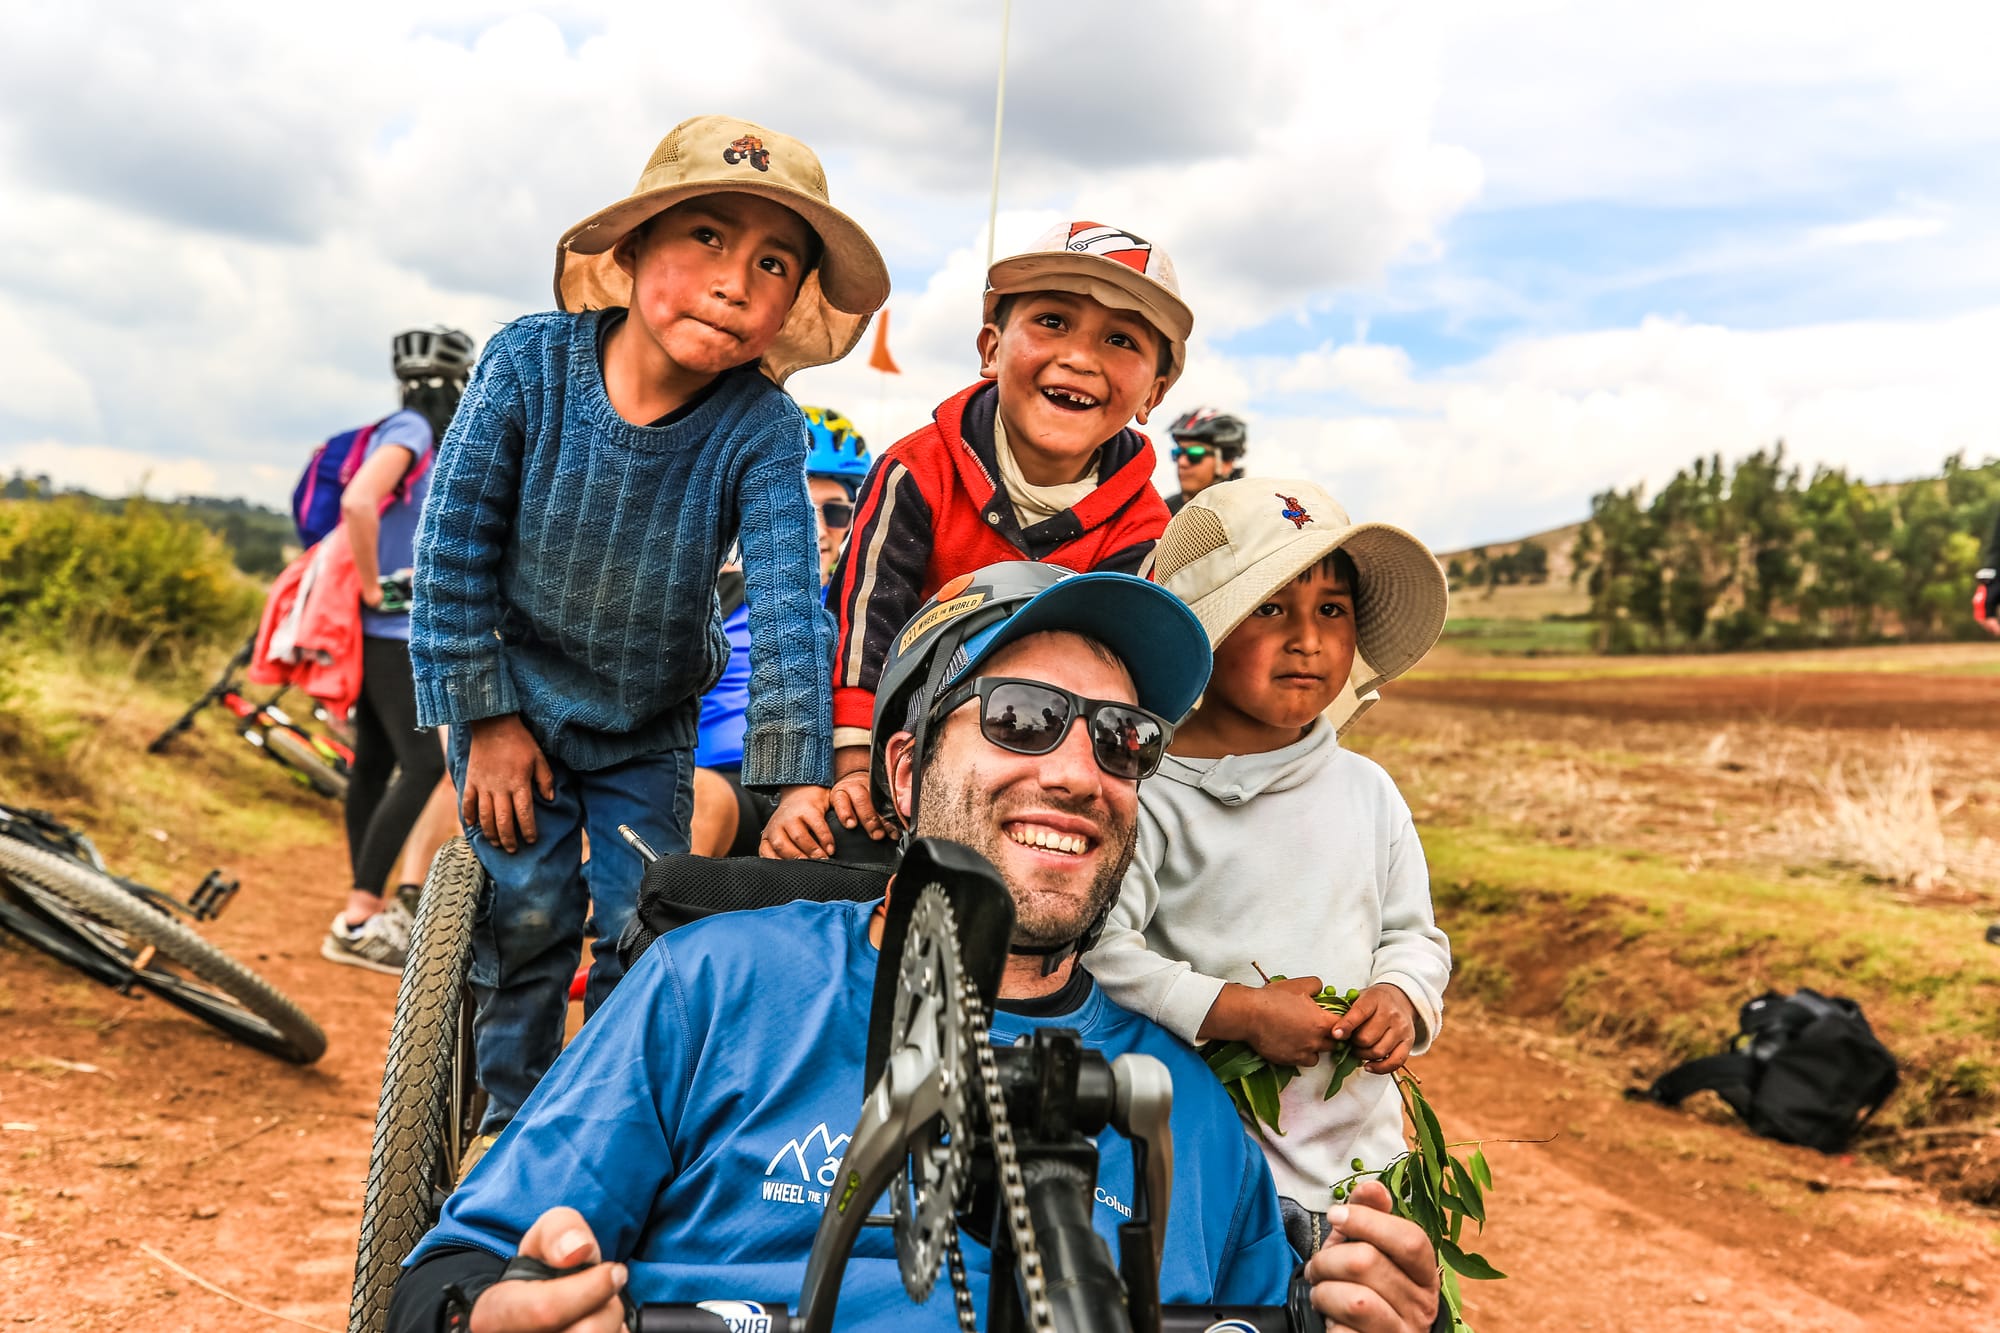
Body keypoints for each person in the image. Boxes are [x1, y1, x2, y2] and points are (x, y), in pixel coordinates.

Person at [388, 561, 1441, 1333]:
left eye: (1121, 738)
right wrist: (498, 1313)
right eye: (1024, 717)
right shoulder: (713, 990)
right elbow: (447, 1280)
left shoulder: (1185, 1114)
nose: (1078, 771)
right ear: (901, 771)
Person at [409, 115, 890, 1137]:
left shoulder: (760, 427)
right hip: (517, 710)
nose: (736, 281)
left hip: (646, 723)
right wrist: (484, 719)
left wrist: (791, 778)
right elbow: (451, 552)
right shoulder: (527, 367)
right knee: (529, 914)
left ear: (789, 303)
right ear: (627, 255)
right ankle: (509, 1120)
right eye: (707, 238)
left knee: (645, 924)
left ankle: (606, 1122)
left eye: (772, 262)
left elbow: (790, 609)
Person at [1086, 479, 1453, 1252]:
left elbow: (1414, 935)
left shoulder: (1368, 791)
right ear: (1203, 633)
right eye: (1270, 608)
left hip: (1366, 1173)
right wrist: (1239, 1013)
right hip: (1205, 1176)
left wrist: (1401, 995)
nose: (1308, 639)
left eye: (1331, 610)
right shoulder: (1149, 799)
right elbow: (1102, 953)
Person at [786, 221, 1191, 859]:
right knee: (843, 846)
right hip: (903, 753)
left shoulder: (1144, 529)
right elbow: (864, 621)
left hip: (1046, 761)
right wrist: (855, 762)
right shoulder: (916, 470)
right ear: (991, 348)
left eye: (1120, 339)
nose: (1081, 357)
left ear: (1155, 392)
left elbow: (1111, 678)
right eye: (1053, 322)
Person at [321, 328, 474, 973]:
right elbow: (359, 501)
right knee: (424, 764)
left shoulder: (402, 427)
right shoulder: (412, 431)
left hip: (380, 634)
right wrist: (368, 587)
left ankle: (358, 911)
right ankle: (360, 917)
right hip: (393, 630)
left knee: (374, 762)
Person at [692, 406, 872, 858]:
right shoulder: (715, 591)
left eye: (834, 512)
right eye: (795, 506)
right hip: (713, 778)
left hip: (819, 790)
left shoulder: (867, 608)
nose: (814, 527)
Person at [1162, 407, 1247, 516]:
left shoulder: (1245, 511)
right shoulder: (1165, 511)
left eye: (1195, 454)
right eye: (1177, 452)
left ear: (1226, 463)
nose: (1182, 462)